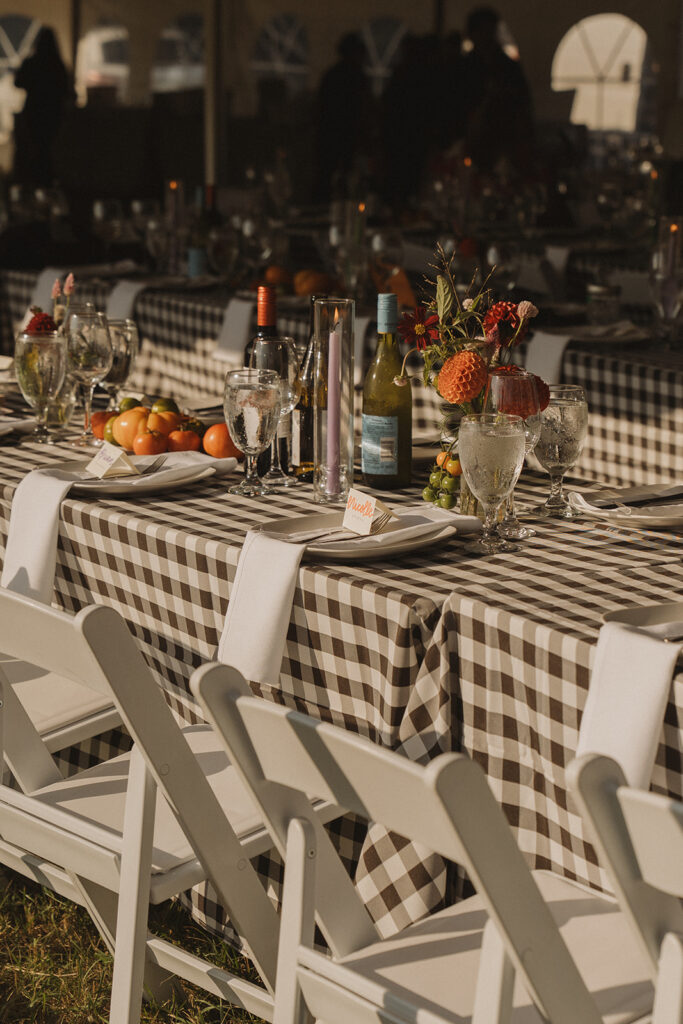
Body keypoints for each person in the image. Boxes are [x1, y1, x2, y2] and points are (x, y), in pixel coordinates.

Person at [459, 7, 533, 176]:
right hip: (472, 142)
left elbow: (522, 105)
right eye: (482, 31)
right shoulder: (464, 68)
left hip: (504, 142)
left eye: (489, 31)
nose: (487, 36)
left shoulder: (508, 68)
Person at [313, 32, 374, 202]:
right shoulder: (355, 77)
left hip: (334, 135)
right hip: (344, 136)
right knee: (340, 180)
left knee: (332, 179)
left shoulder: (333, 75)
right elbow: (364, 108)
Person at [13, 27, 72, 187]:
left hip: (33, 111)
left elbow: (18, 82)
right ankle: (45, 180)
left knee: (33, 147)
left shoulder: (32, 63)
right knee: (46, 148)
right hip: (52, 112)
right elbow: (66, 89)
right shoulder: (57, 65)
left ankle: (33, 181)